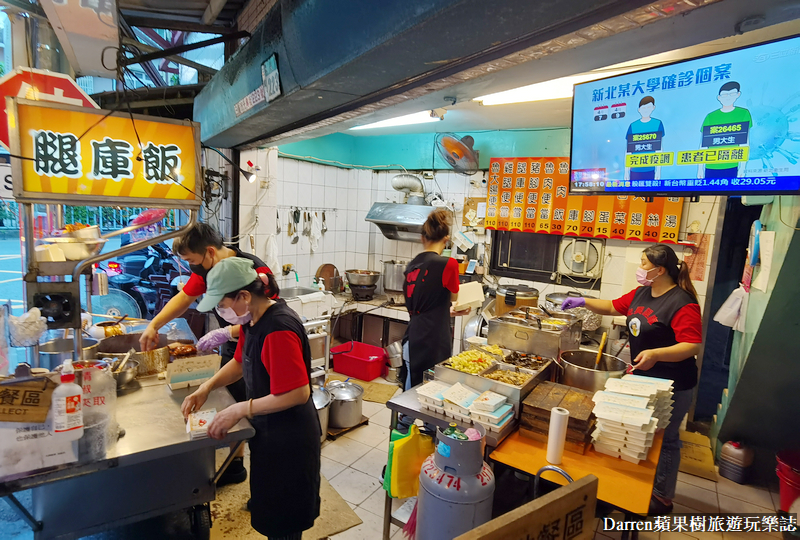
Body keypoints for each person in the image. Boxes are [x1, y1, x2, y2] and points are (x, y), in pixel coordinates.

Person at [181, 257, 320, 539]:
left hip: (290, 438)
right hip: (269, 432)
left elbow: (298, 392)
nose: (222, 312)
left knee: (284, 522)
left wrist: (240, 409)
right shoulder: (252, 320)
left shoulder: (278, 328)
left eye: (222, 305)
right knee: (270, 510)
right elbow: (238, 363)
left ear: (244, 296)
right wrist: (206, 387)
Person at [562, 244, 702, 515]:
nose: (640, 268)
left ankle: (662, 496)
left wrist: (656, 354)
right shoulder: (642, 293)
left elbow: (692, 345)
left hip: (673, 383)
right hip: (643, 377)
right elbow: (613, 306)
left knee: (666, 439)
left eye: (644, 263)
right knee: (640, 433)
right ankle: (635, 486)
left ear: (660, 270)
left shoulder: (682, 302)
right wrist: (582, 301)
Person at [139, 222, 272, 486]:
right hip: (238, 344)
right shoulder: (209, 269)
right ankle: (235, 463)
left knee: (253, 405)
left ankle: (251, 467)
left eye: (191, 260)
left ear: (209, 252)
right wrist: (154, 324)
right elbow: (185, 297)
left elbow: (264, 315)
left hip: (258, 345)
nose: (191, 266)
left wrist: (227, 332)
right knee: (234, 394)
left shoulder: (251, 270)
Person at [402, 208, 471, 390]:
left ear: (422, 238)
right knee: (428, 397)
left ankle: (403, 419)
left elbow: (423, 308)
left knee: (410, 396)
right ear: (446, 240)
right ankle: (407, 420)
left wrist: (446, 311)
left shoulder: (412, 265)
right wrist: (455, 308)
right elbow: (455, 298)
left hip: (412, 340)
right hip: (432, 343)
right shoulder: (448, 264)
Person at [698, 81, 752, 179]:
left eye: (732, 94)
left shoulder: (743, 113)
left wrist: (742, 167)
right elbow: (703, 145)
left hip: (732, 165)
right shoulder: (711, 116)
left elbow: (744, 143)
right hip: (711, 166)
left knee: (734, 193)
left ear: (738, 95)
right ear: (719, 97)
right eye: (724, 95)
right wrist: (700, 168)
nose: (728, 97)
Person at [624, 96, 665, 181]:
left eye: (648, 107)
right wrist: (626, 172)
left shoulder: (657, 123)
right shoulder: (633, 125)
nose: (646, 110)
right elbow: (628, 151)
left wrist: (658, 171)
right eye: (643, 107)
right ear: (639, 109)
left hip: (650, 169)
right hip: (634, 169)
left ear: (653, 108)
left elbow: (659, 149)